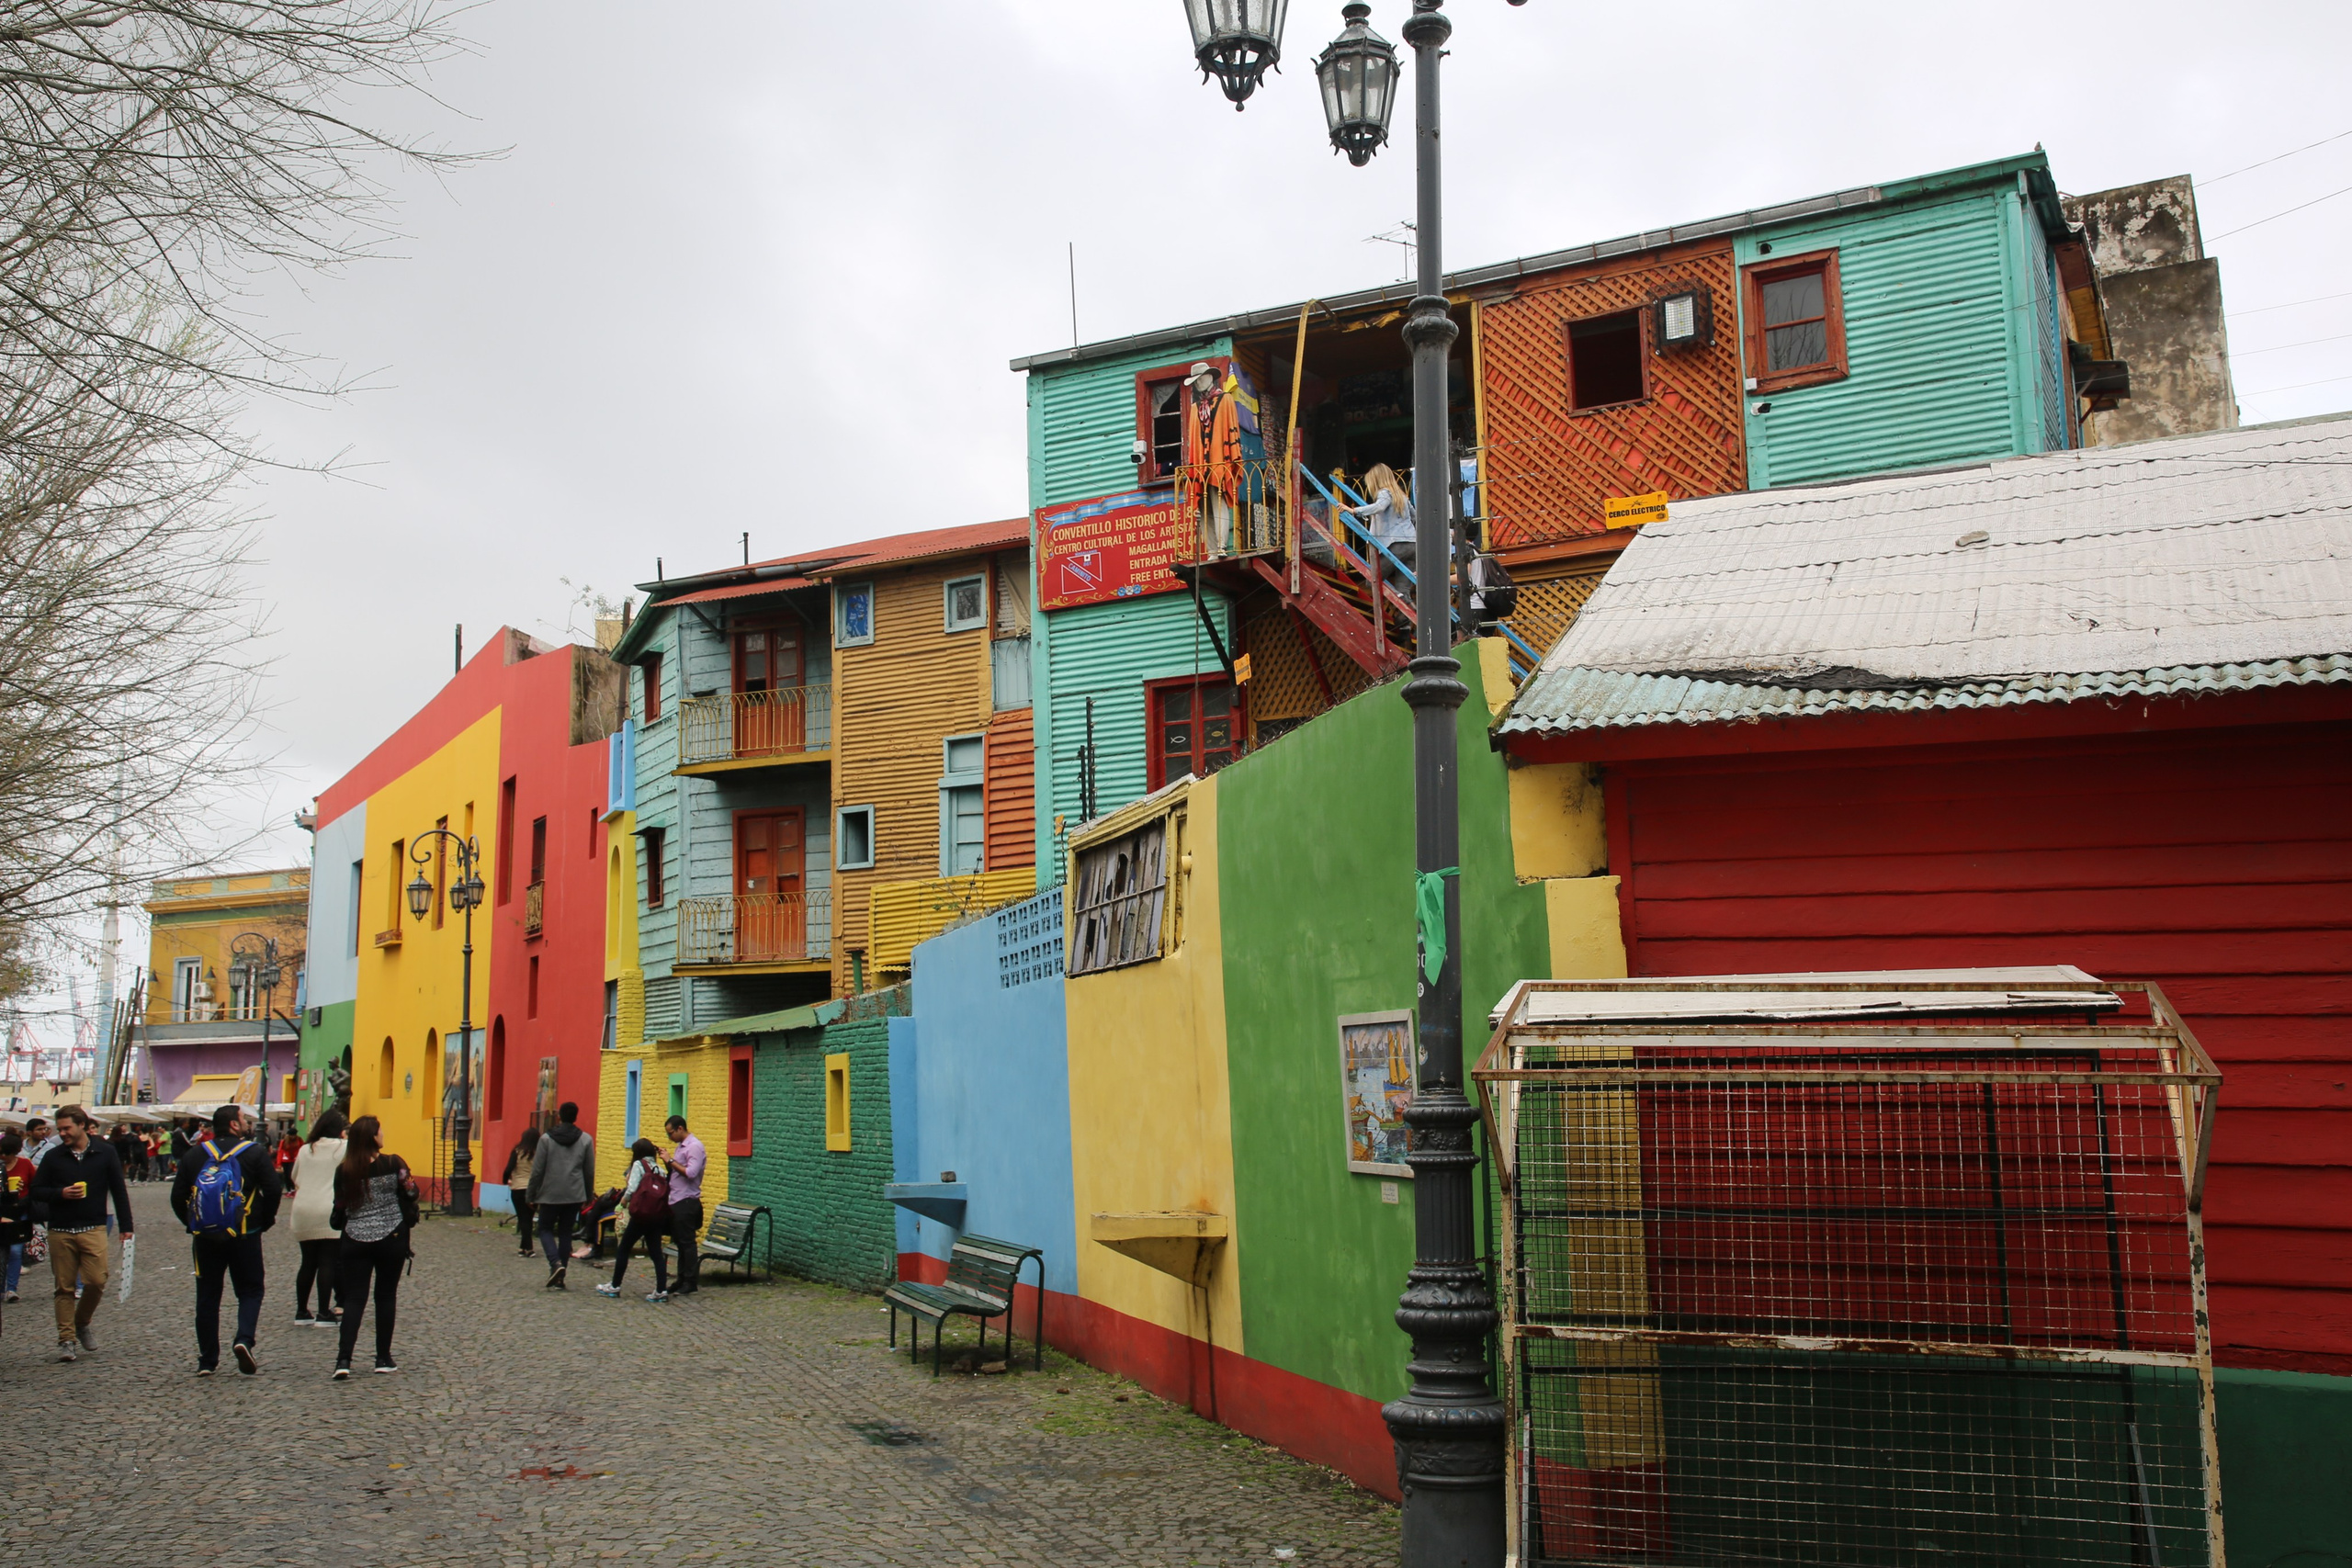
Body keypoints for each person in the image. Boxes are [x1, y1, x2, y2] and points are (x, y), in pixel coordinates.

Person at [170, 1104, 282, 1376]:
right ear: (233, 1124)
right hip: (245, 1233)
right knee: (250, 1290)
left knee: (207, 1296)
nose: (247, 1124)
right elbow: (273, 1189)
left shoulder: (196, 1154)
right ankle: (244, 1339)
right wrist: (264, 1220)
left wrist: (194, 1223)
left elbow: (177, 1197)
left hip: (206, 1237)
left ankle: (207, 1360)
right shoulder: (254, 1152)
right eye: (243, 1119)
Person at [29, 1106, 132, 1362]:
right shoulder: (53, 1156)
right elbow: (36, 1190)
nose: (62, 1133)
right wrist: (60, 1193)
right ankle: (66, 1339)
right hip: (60, 1229)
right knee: (64, 1287)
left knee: (97, 1280)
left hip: (93, 1226)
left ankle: (81, 1322)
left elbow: (119, 1190)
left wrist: (126, 1226)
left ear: (82, 1126)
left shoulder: (105, 1152)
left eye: (67, 1128)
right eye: (60, 1129)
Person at [331, 1114, 416, 1378]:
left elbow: (340, 1205)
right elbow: (411, 1191)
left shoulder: (344, 1171)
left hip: (355, 1238)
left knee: (354, 1298)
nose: (383, 1134)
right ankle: (383, 1357)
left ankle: (344, 1360)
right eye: (380, 1131)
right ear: (372, 1137)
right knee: (385, 1296)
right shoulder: (393, 1163)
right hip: (391, 1237)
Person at [288, 1110, 348, 1327]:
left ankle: (302, 1311)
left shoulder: (306, 1149)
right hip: (328, 1209)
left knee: (308, 1262)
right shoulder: (344, 1147)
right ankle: (323, 1312)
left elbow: (294, 1177)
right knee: (327, 1262)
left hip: (303, 1209)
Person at [525, 1101, 594, 1290]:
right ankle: (561, 1275)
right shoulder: (586, 1140)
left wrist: (531, 1194)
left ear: (559, 1117)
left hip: (550, 1193)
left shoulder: (546, 1139)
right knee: (565, 1232)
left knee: (544, 1228)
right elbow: (589, 1171)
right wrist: (588, 1195)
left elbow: (537, 1170)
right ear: (576, 1117)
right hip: (574, 1193)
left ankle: (555, 1263)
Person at [595, 1140, 671, 1302]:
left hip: (641, 1215)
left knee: (624, 1248)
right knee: (656, 1253)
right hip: (656, 1216)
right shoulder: (660, 1169)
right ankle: (661, 1290)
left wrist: (624, 1201)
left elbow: (632, 1187)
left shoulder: (639, 1165)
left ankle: (615, 1286)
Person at [662, 1114, 707, 1298]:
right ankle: (681, 1279)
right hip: (676, 1199)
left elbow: (691, 1172)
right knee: (680, 1242)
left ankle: (690, 1281)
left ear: (680, 1128)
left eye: (671, 1133)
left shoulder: (694, 1146)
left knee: (687, 1243)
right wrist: (668, 1162)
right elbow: (677, 1172)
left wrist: (671, 1161)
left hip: (687, 1201)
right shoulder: (681, 1147)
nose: (669, 1137)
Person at [1, 1130, 29, 1323]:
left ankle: (11, 1289)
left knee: (15, 1252)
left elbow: (36, 1187)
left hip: (18, 1214)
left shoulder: (23, 1165)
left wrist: (17, 1196)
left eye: (6, 1153)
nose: (3, 1156)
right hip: (3, 1216)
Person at [502, 1128, 540, 1258]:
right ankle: (523, 1247)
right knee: (528, 1217)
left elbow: (508, 1169)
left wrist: (505, 1180)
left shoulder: (517, 1152)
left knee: (522, 1217)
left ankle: (528, 1248)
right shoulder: (539, 1153)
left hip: (518, 1188)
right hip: (533, 1190)